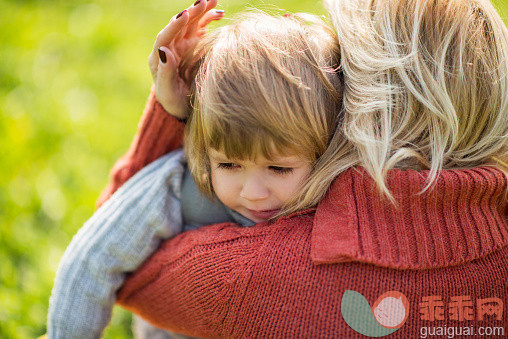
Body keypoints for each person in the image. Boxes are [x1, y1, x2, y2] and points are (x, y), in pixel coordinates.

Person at [102, 0, 506, 337]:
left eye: (339, 67)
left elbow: (116, 258)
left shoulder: (261, 273)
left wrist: (177, 111)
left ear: (366, 106)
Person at [47, 1, 343, 337]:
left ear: (327, 150)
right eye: (229, 164)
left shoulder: (347, 194)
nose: (252, 192)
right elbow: (91, 260)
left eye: (277, 168)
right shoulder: (179, 187)